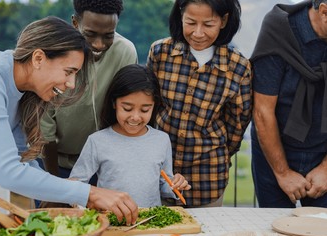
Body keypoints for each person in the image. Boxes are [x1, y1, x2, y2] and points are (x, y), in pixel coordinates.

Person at [0, 16, 137, 236]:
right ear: (39, 58)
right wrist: (89, 193)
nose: (72, 84)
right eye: (69, 71)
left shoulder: (21, 89)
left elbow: (22, 160)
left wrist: (69, 195)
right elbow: (6, 172)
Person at [147, 0, 252, 207]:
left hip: (207, 177)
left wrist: (217, 154)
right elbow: (149, 106)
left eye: (208, 24)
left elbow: (237, 125)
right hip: (159, 170)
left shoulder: (238, 66)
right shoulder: (160, 52)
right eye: (191, 22)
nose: (198, 33)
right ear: (180, 16)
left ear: (223, 21)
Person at [38, 0, 138, 195]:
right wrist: (55, 186)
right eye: (90, 34)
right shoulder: (54, 54)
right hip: (54, 163)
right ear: (75, 23)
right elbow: (44, 128)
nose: (99, 44)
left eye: (108, 35)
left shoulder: (126, 52)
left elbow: (127, 108)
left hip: (105, 166)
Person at [69, 64, 191, 207]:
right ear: (114, 103)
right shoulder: (97, 141)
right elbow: (75, 185)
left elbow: (164, 184)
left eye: (145, 110)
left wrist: (175, 185)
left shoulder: (161, 140)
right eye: (127, 108)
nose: (135, 117)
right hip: (112, 222)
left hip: (151, 222)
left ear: (154, 106)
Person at [250, 0, 327, 208]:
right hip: (274, 148)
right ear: (324, 12)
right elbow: (262, 111)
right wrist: (282, 173)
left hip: (323, 151)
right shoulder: (279, 29)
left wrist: (326, 169)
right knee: (276, 231)